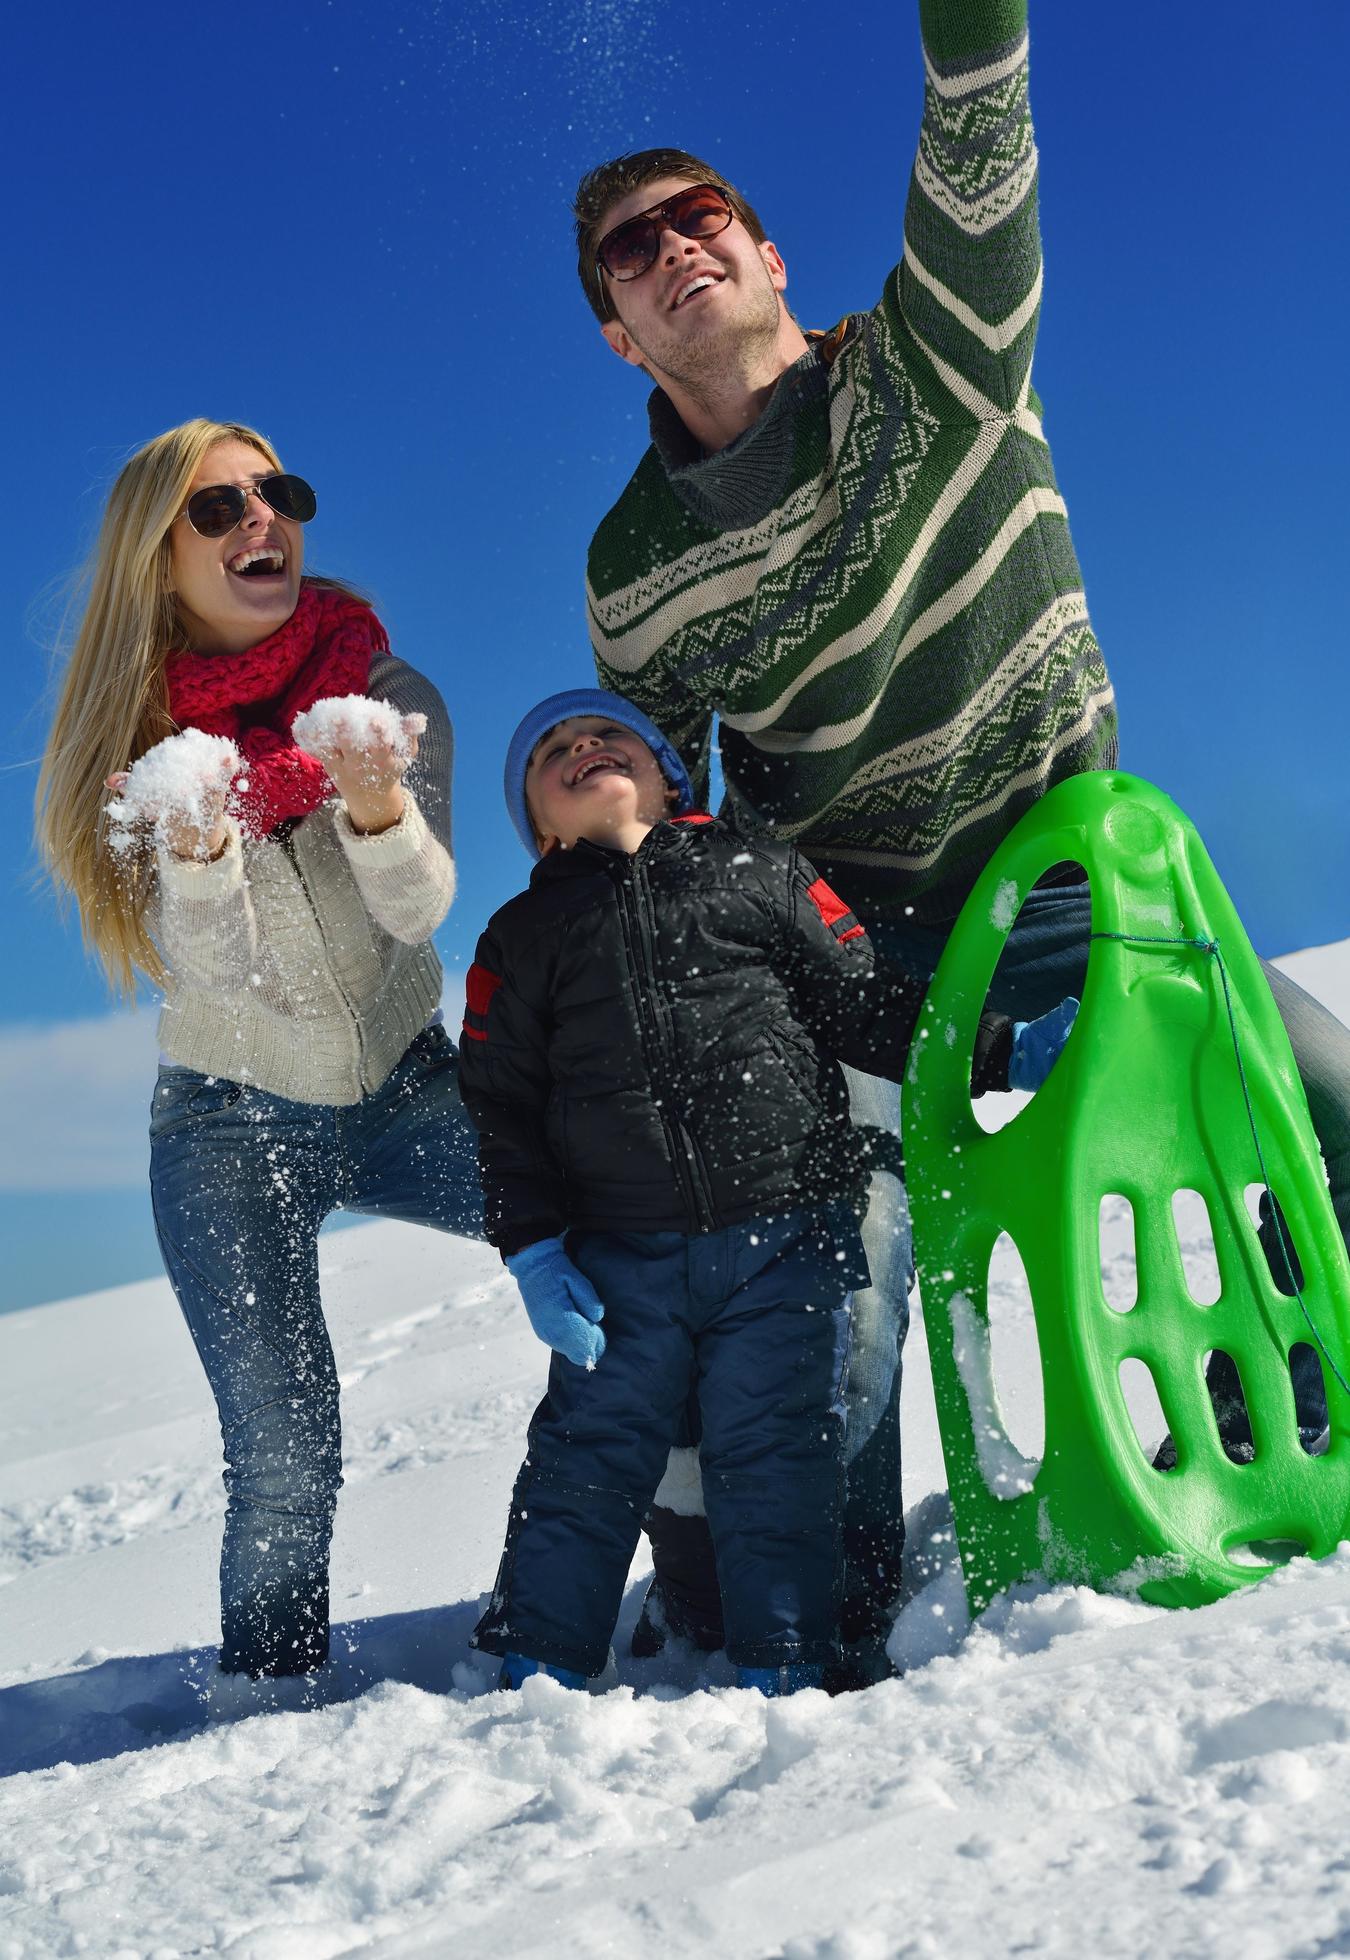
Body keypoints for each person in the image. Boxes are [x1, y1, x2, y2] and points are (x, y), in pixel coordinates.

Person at [572, 0, 1350, 1670]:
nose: (672, 248)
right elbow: (667, 801)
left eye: (701, 218)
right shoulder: (633, 571)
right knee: (831, 1264)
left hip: (1075, 867)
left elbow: (978, 117)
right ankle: (826, 1617)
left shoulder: (939, 359)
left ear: (771, 256)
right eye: (632, 253)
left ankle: (1269, 1423)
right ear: (623, 336)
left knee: (1323, 1101)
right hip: (855, 936)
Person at [457, 688, 1075, 1694]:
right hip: (622, 1261)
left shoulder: (760, 873)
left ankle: (786, 1666)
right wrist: (532, 1248)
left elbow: (869, 1003)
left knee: (777, 1456)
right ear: (537, 826)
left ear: (668, 772)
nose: (581, 750)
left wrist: (999, 1048)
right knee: (584, 1457)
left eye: (605, 735)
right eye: (552, 754)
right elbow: (501, 1106)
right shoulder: (521, 936)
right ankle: (538, 1667)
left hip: (786, 1235)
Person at [36, 418, 482, 1681]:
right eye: (216, 509)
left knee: (616, 1237)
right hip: (230, 1124)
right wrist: (198, 845)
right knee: (286, 1449)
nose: (259, 521)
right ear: (156, 558)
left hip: (410, 1088)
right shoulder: (145, 756)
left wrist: (378, 801)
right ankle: (269, 1717)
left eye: (276, 492)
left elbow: (415, 908)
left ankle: (659, 1539)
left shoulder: (382, 692)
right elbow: (218, 965)